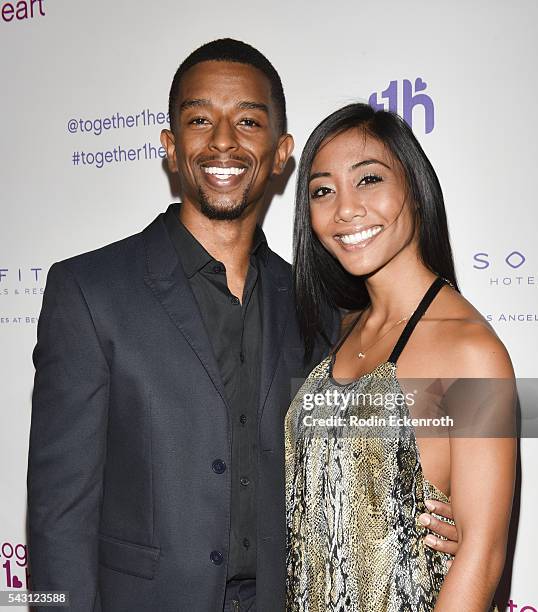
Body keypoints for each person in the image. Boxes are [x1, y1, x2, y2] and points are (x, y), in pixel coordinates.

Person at [27, 41, 457, 612]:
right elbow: (58, 512)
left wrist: (448, 519)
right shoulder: (89, 291)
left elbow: (422, 423)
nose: (223, 140)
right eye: (200, 119)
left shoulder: (322, 308)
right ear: (171, 148)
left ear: (281, 154)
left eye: (248, 121)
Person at [286, 103, 516, 611]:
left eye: (368, 179)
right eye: (323, 190)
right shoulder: (335, 331)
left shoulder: (470, 352)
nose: (345, 208)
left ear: (414, 185)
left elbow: (481, 556)